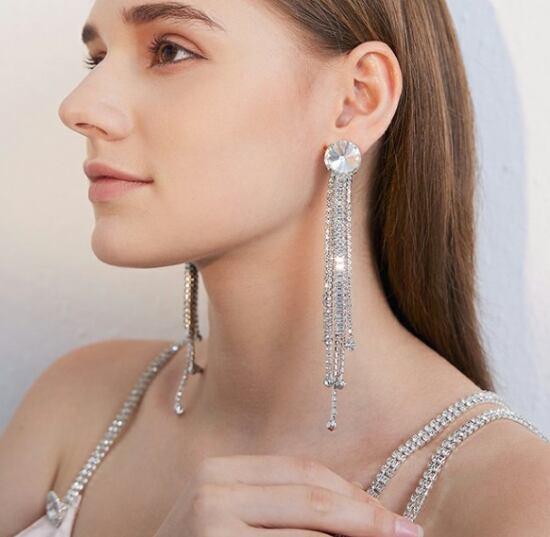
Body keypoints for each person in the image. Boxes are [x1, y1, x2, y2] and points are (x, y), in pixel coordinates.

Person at [1, 1, 549, 536]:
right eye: (97, 58)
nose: (79, 106)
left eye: (169, 51)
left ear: (355, 100)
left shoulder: (511, 501)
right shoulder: (77, 404)